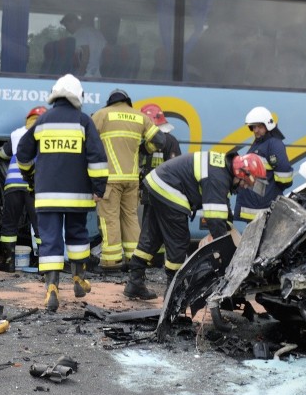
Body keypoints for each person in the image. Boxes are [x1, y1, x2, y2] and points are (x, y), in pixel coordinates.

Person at [16, 74, 108, 312]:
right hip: (77, 196)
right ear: (78, 96)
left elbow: (23, 153)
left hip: (46, 195)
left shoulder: (43, 121)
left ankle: (52, 288)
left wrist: (29, 176)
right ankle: (78, 279)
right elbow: (96, 158)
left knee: (50, 239)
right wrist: (99, 188)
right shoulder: (83, 121)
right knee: (78, 236)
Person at [124, 151, 266, 300]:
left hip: (156, 183)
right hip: (169, 188)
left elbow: (222, 208)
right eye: (246, 183)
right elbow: (214, 217)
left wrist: (228, 227)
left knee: (152, 236)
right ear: (241, 173)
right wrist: (225, 250)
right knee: (178, 241)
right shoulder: (218, 177)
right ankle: (173, 293)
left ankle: (135, 282)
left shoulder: (223, 171)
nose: (244, 187)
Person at [91, 90, 166, 271]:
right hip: (132, 179)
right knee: (130, 218)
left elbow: (87, 141)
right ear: (128, 102)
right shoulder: (140, 117)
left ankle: (111, 262)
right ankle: (136, 260)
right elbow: (160, 140)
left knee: (110, 218)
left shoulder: (101, 115)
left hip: (109, 178)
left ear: (110, 102)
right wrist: (143, 149)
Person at [0, 106, 46, 272]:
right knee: (39, 224)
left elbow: (3, 154)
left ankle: (9, 262)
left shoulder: (16, 133)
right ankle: (42, 263)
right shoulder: (45, 133)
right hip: (34, 184)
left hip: (13, 183)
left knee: (9, 224)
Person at [139, 103, 182, 267]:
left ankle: (151, 259)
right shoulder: (171, 141)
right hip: (163, 193)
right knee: (158, 227)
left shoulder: (161, 142)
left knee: (150, 227)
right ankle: (156, 259)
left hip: (154, 192)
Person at [235, 107, 293, 223]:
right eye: (253, 127)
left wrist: (268, 191)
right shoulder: (260, 143)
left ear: (268, 125)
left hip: (261, 207)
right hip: (256, 206)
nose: (256, 130)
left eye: (259, 126)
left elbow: (285, 177)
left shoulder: (273, 144)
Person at [60, 13, 106, 77]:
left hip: (87, 74)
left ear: (74, 22)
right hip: (99, 73)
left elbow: (85, 53)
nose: (66, 29)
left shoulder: (80, 33)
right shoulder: (97, 32)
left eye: (67, 25)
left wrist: (80, 74)